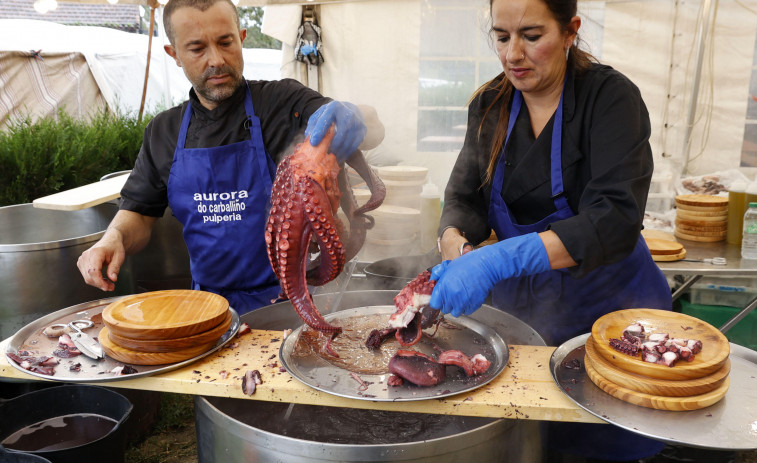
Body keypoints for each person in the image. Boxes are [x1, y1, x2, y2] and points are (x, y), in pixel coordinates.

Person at [428, 0, 672, 461]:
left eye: (532, 36)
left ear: (570, 30)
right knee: (527, 443)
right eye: (501, 37)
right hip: (526, 320)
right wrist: (455, 246)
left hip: (607, 322)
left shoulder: (610, 100)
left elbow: (615, 218)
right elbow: (464, 196)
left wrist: (501, 258)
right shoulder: (490, 104)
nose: (513, 55)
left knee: (601, 446)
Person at [76, 0, 383, 315]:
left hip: (291, 304)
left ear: (242, 37)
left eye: (226, 42)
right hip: (208, 310)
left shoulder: (282, 102)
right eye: (197, 49)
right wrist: (113, 238)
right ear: (174, 55)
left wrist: (356, 116)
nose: (216, 60)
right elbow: (139, 212)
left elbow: (371, 129)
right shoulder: (163, 131)